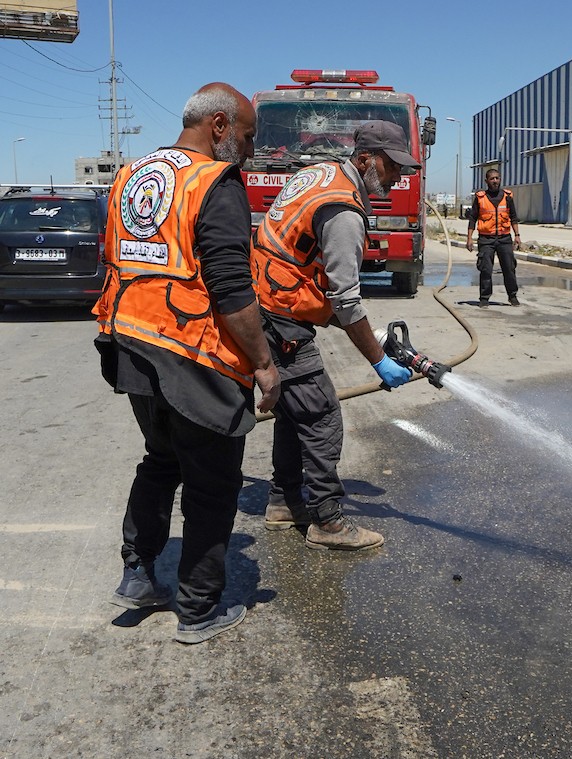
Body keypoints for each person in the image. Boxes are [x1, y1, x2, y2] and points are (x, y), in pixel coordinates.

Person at [93, 83, 281, 644]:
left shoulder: (134, 174)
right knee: (211, 482)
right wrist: (264, 363)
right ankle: (198, 610)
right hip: (191, 356)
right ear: (219, 125)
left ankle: (138, 573)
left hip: (129, 340)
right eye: (245, 137)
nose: (247, 151)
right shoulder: (213, 182)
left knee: (160, 460)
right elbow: (231, 287)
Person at [252, 120, 420, 551]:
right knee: (322, 413)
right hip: (279, 315)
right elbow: (345, 300)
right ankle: (327, 521)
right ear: (365, 159)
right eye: (390, 167)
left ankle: (283, 501)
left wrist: (375, 336)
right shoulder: (344, 211)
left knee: (294, 412)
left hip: (265, 298)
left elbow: (311, 275)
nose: (398, 177)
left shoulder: (321, 173)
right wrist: (377, 360)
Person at [466, 168, 522, 307]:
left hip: (504, 239)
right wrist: (469, 238)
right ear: (486, 181)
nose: (495, 181)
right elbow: (472, 219)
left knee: (509, 268)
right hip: (486, 240)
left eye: (497, 178)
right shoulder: (480, 198)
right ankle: (484, 298)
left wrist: (517, 236)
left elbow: (514, 217)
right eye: (492, 179)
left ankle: (512, 296)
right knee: (485, 269)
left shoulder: (507, 196)